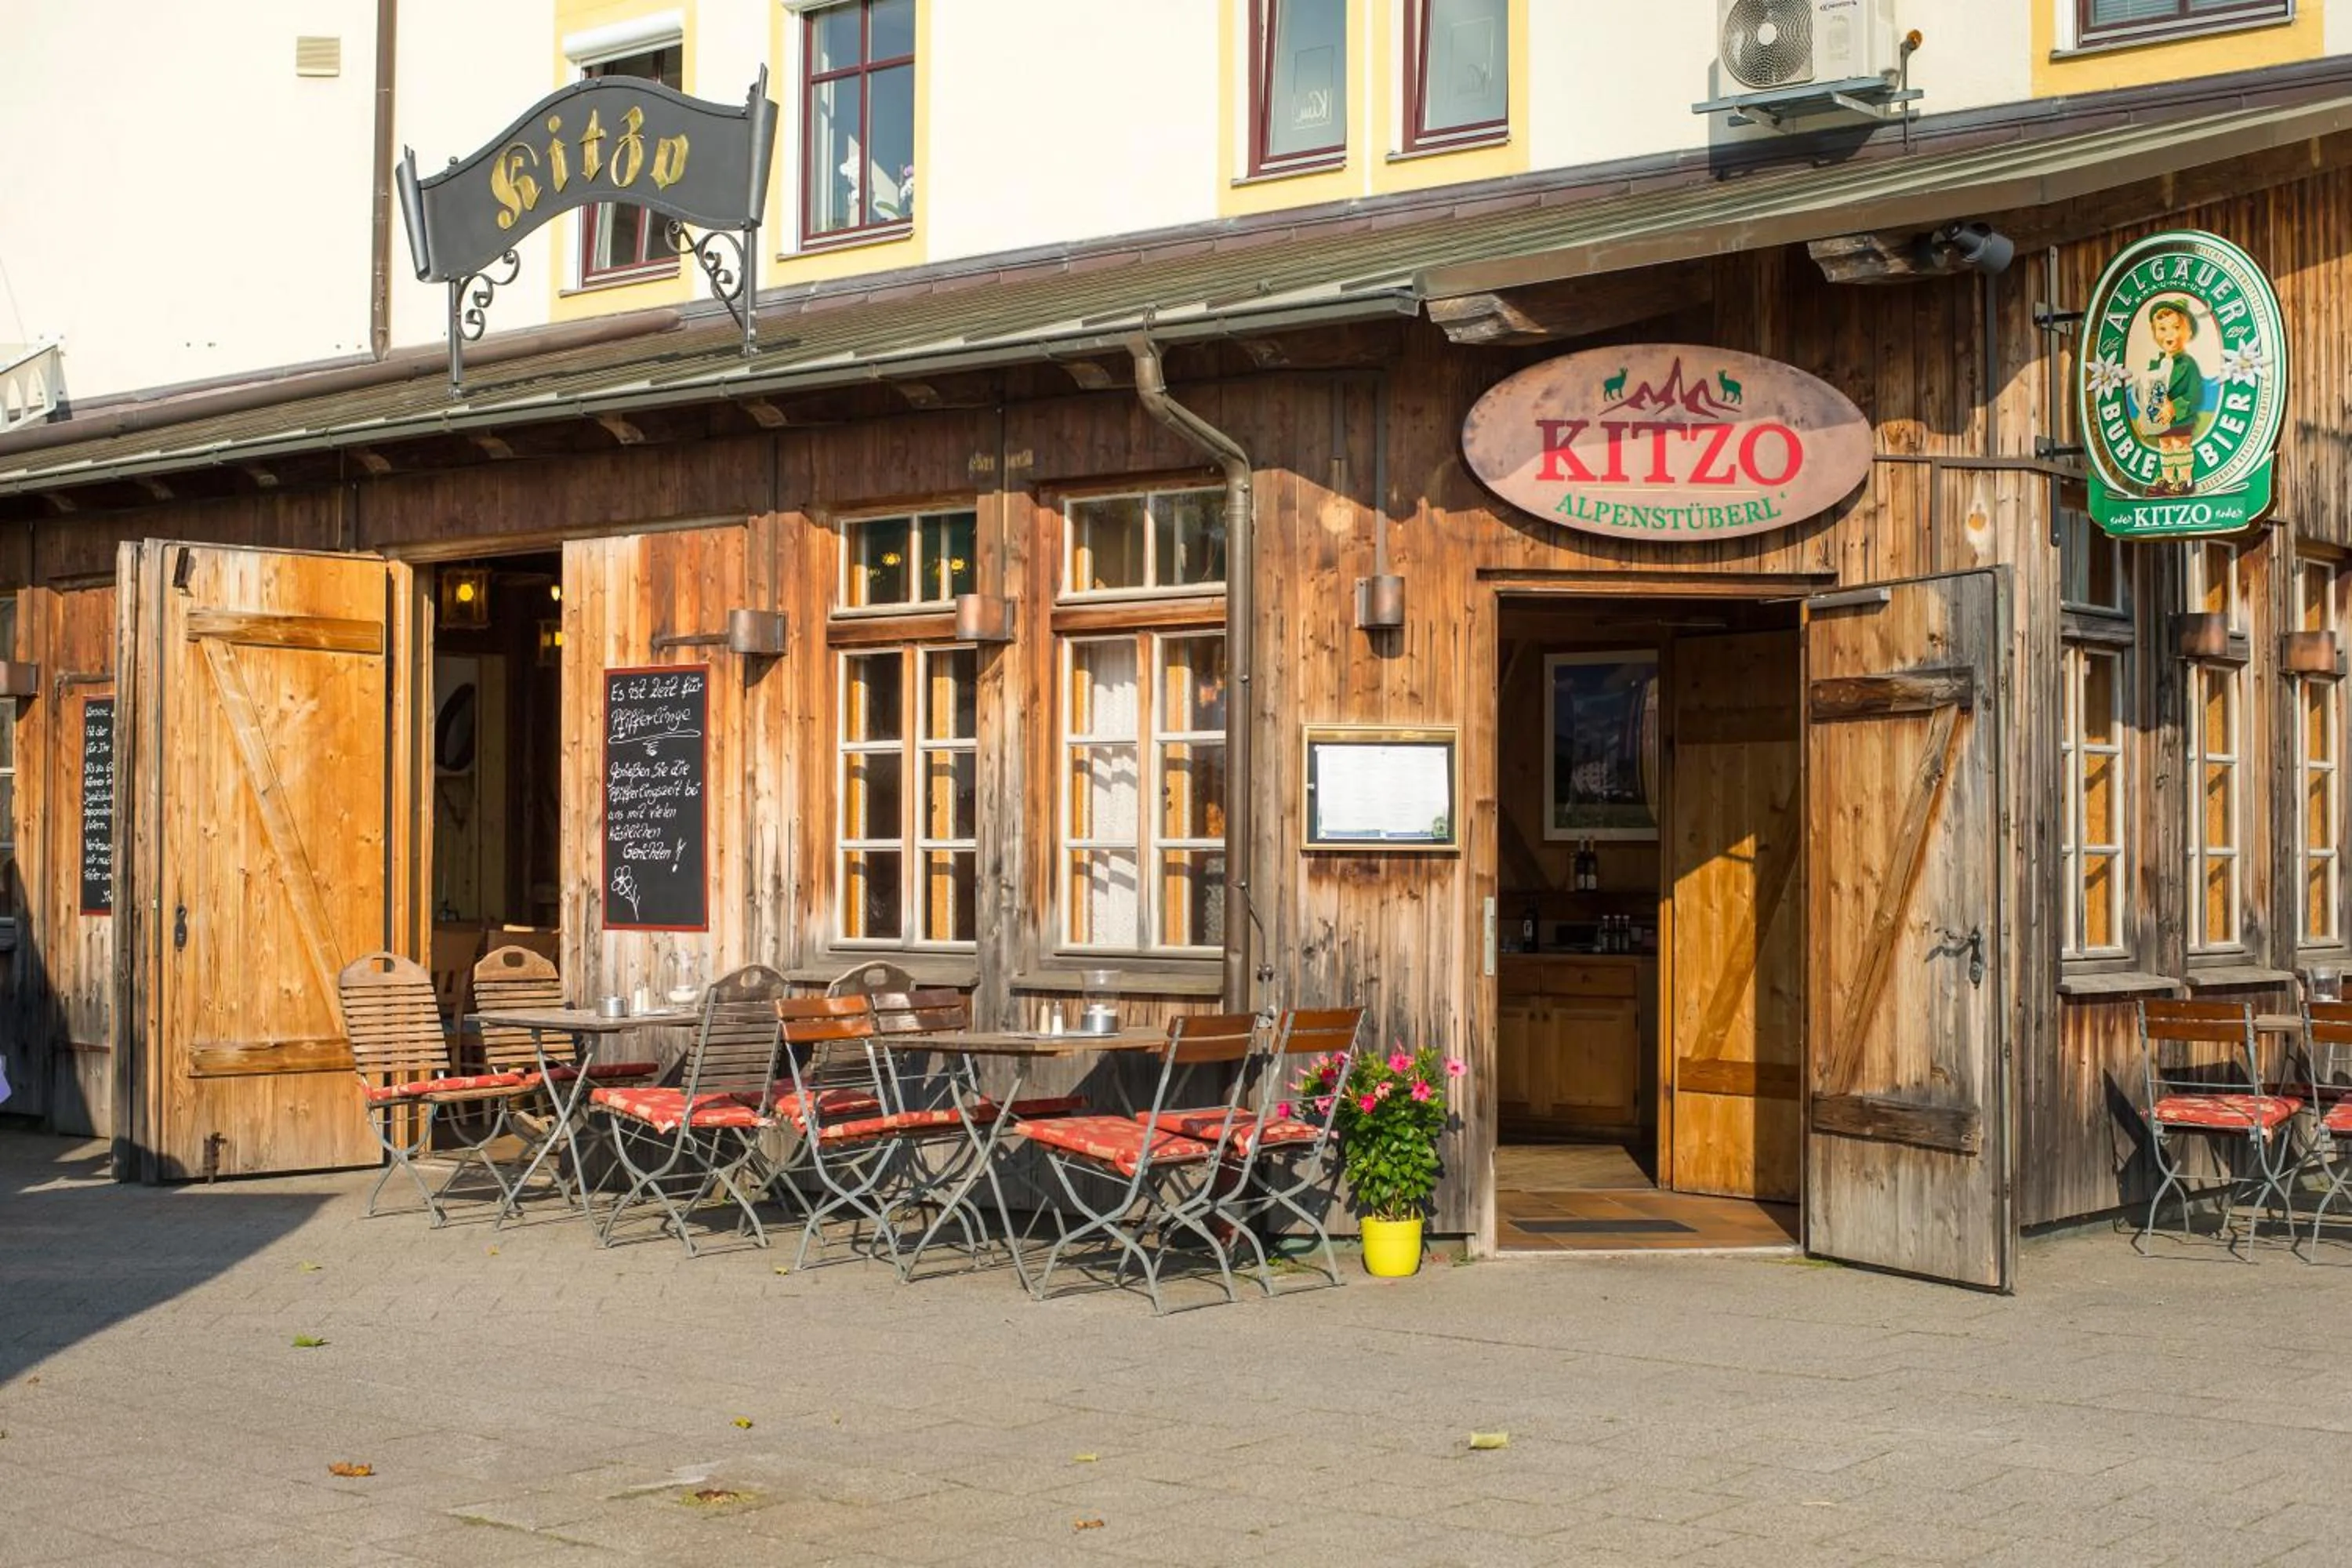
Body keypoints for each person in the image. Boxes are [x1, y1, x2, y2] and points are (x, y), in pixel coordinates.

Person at [2140, 297, 2206, 497]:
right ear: (2154, 332)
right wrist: (2147, 416)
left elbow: (2195, 394)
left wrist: (2175, 407)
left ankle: (2185, 480)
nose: (2169, 335)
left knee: (2180, 445)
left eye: (2176, 328)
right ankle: (2168, 480)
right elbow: (2151, 393)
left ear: (2188, 332)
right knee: (2165, 446)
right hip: (2161, 417)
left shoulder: (2188, 365)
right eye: (2162, 329)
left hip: (2181, 417)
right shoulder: (2156, 365)